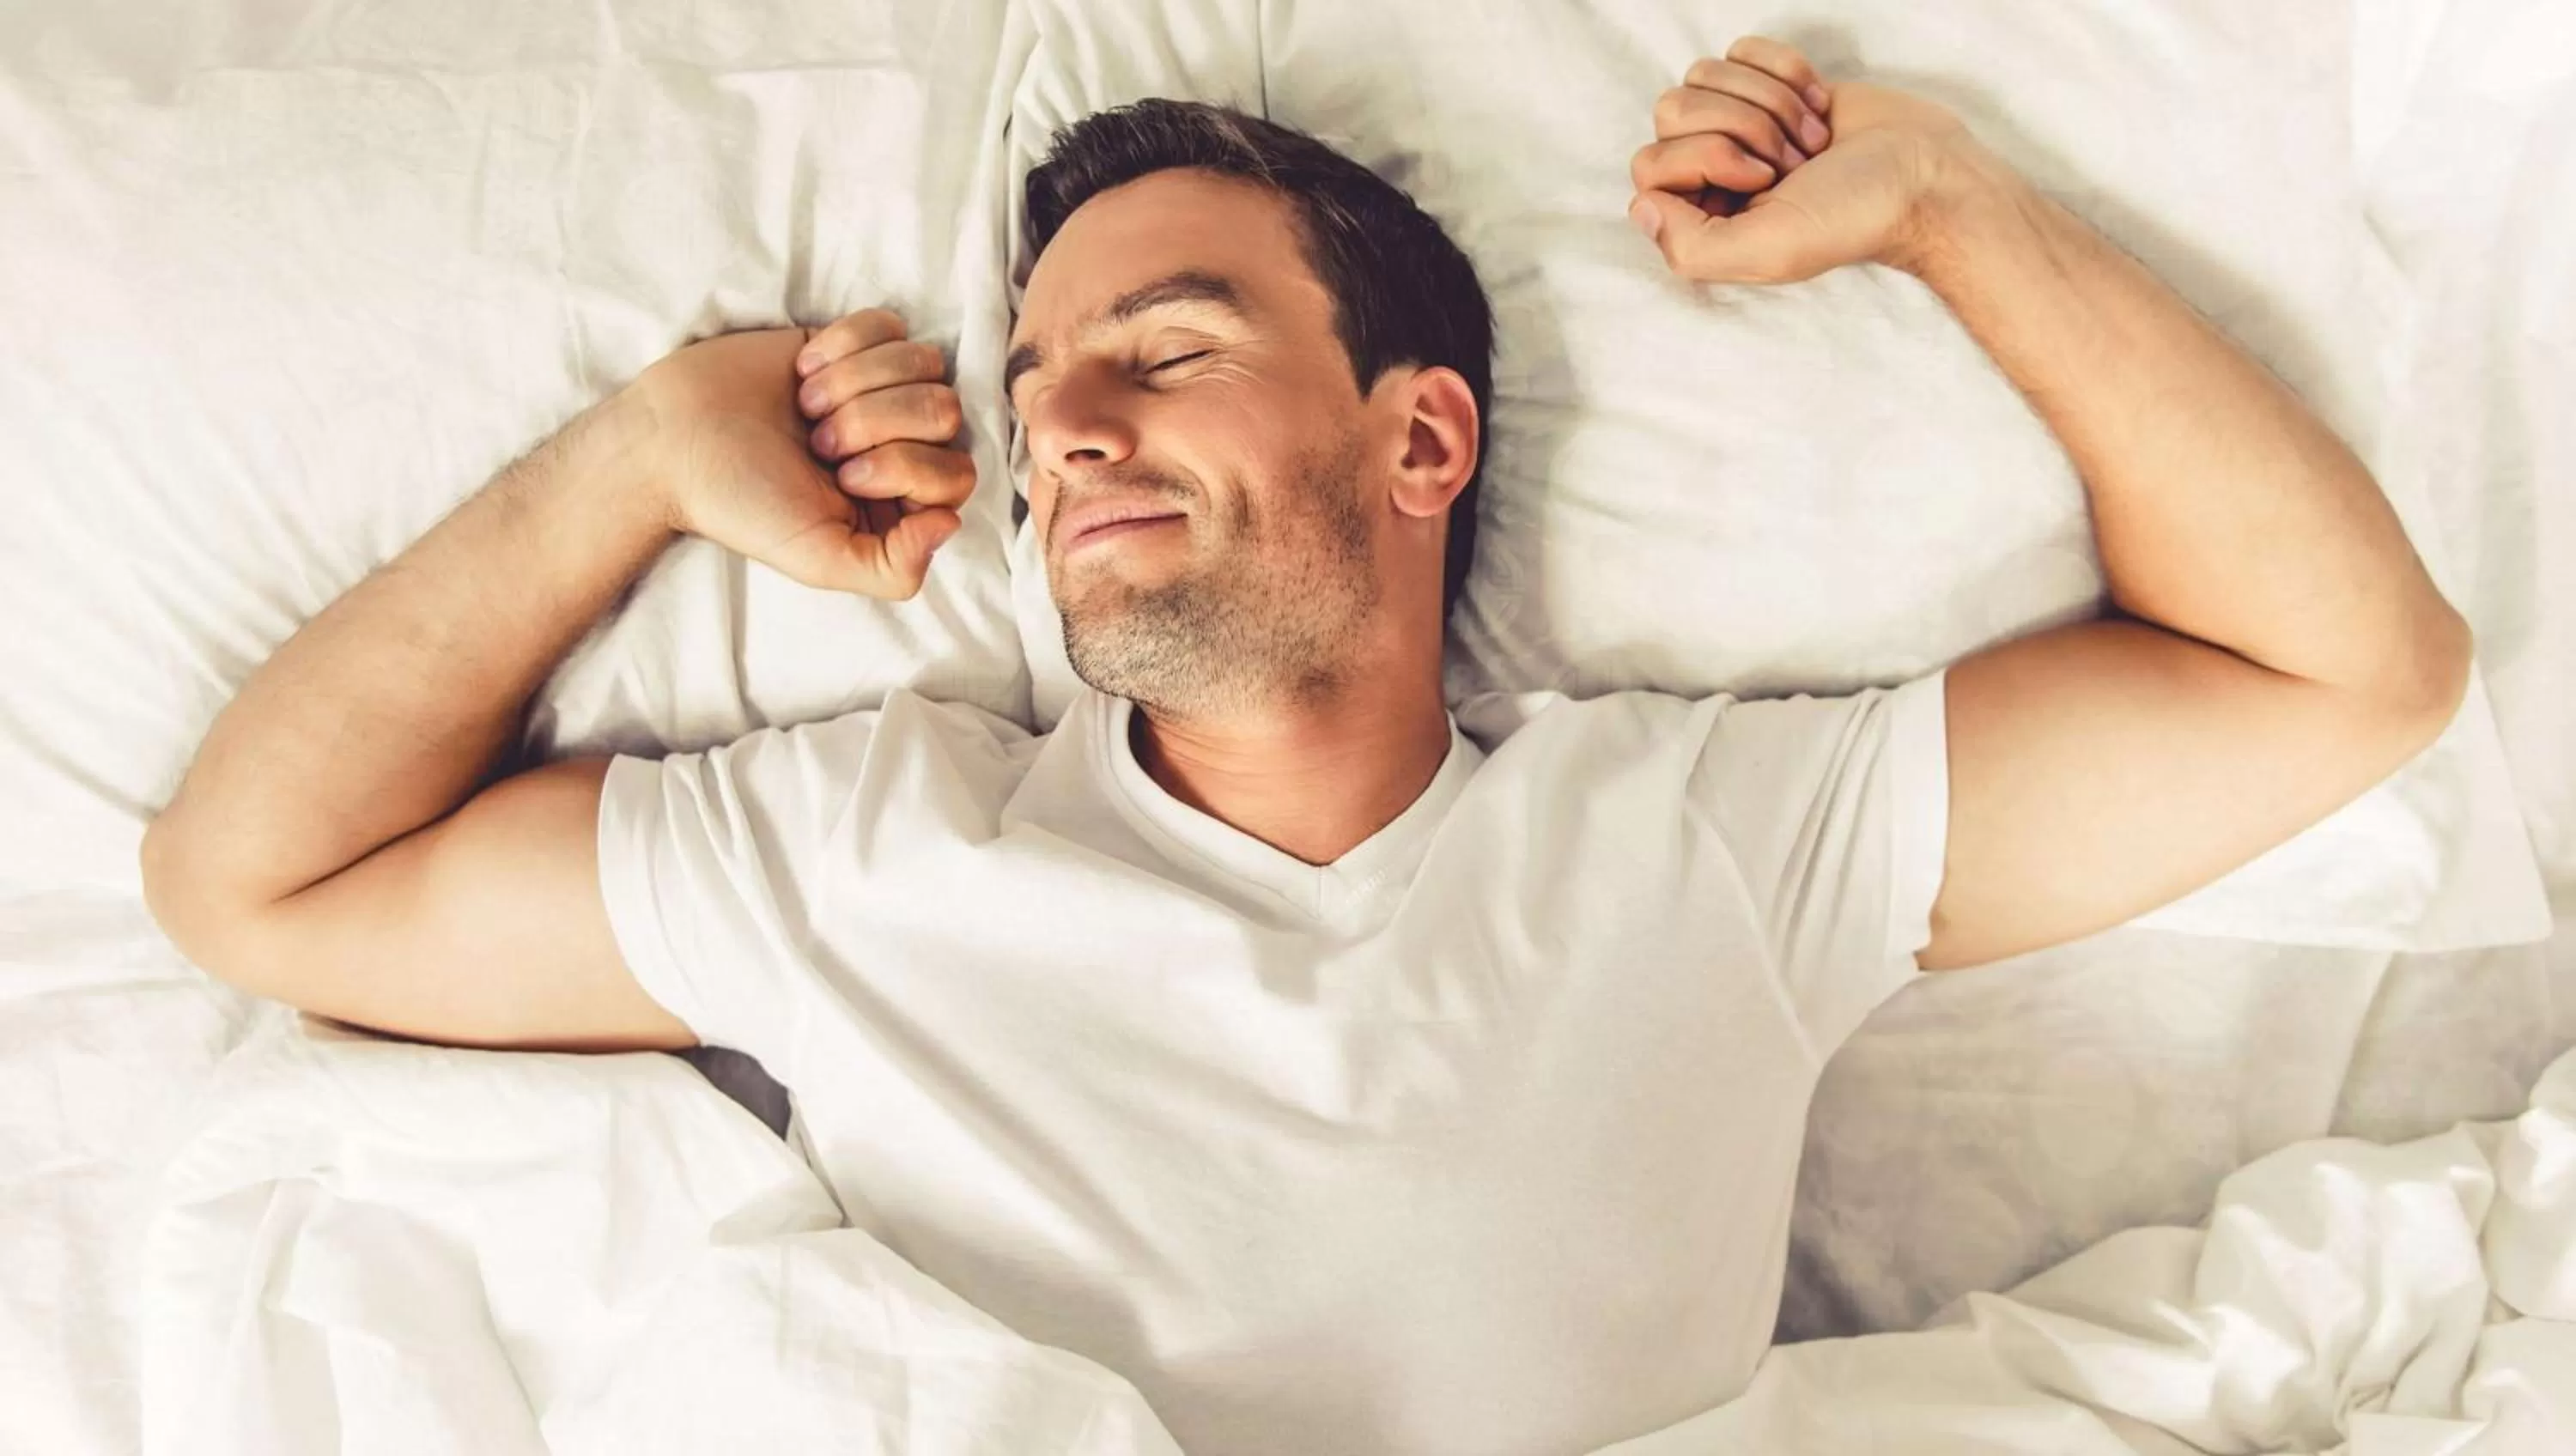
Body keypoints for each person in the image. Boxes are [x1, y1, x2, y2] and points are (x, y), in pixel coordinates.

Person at [140, 35, 2471, 1456]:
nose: (1060, 428)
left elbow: (2346, 672)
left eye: (1161, 350)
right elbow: (261, 886)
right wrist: (631, 467)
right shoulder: (865, 849)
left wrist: (1956, 209)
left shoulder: (1703, 844)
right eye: (1039, 392)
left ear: (1421, 436)